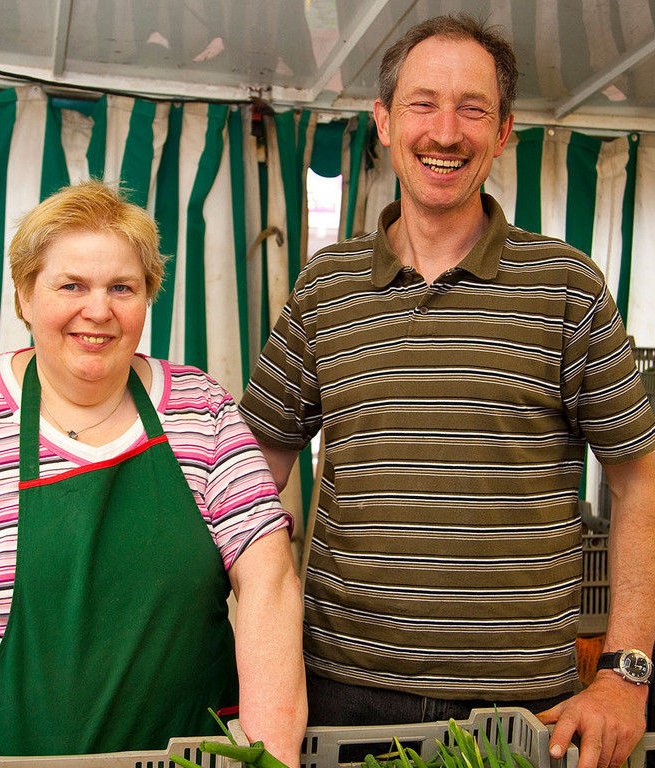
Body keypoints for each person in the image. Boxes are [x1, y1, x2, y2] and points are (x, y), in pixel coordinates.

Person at [239, 13, 655, 768]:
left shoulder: (565, 285)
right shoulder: (325, 286)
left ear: (502, 135)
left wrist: (626, 673)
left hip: (528, 703)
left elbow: (638, 485)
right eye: (423, 104)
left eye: (473, 108)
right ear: (383, 123)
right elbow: (252, 477)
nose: (446, 131)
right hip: (341, 691)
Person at [0, 181, 307, 763]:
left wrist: (271, 761)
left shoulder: (200, 409)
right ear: (25, 296)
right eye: (71, 285)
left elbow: (269, 586)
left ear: (147, 297)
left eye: (122, 288)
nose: (99, 310)